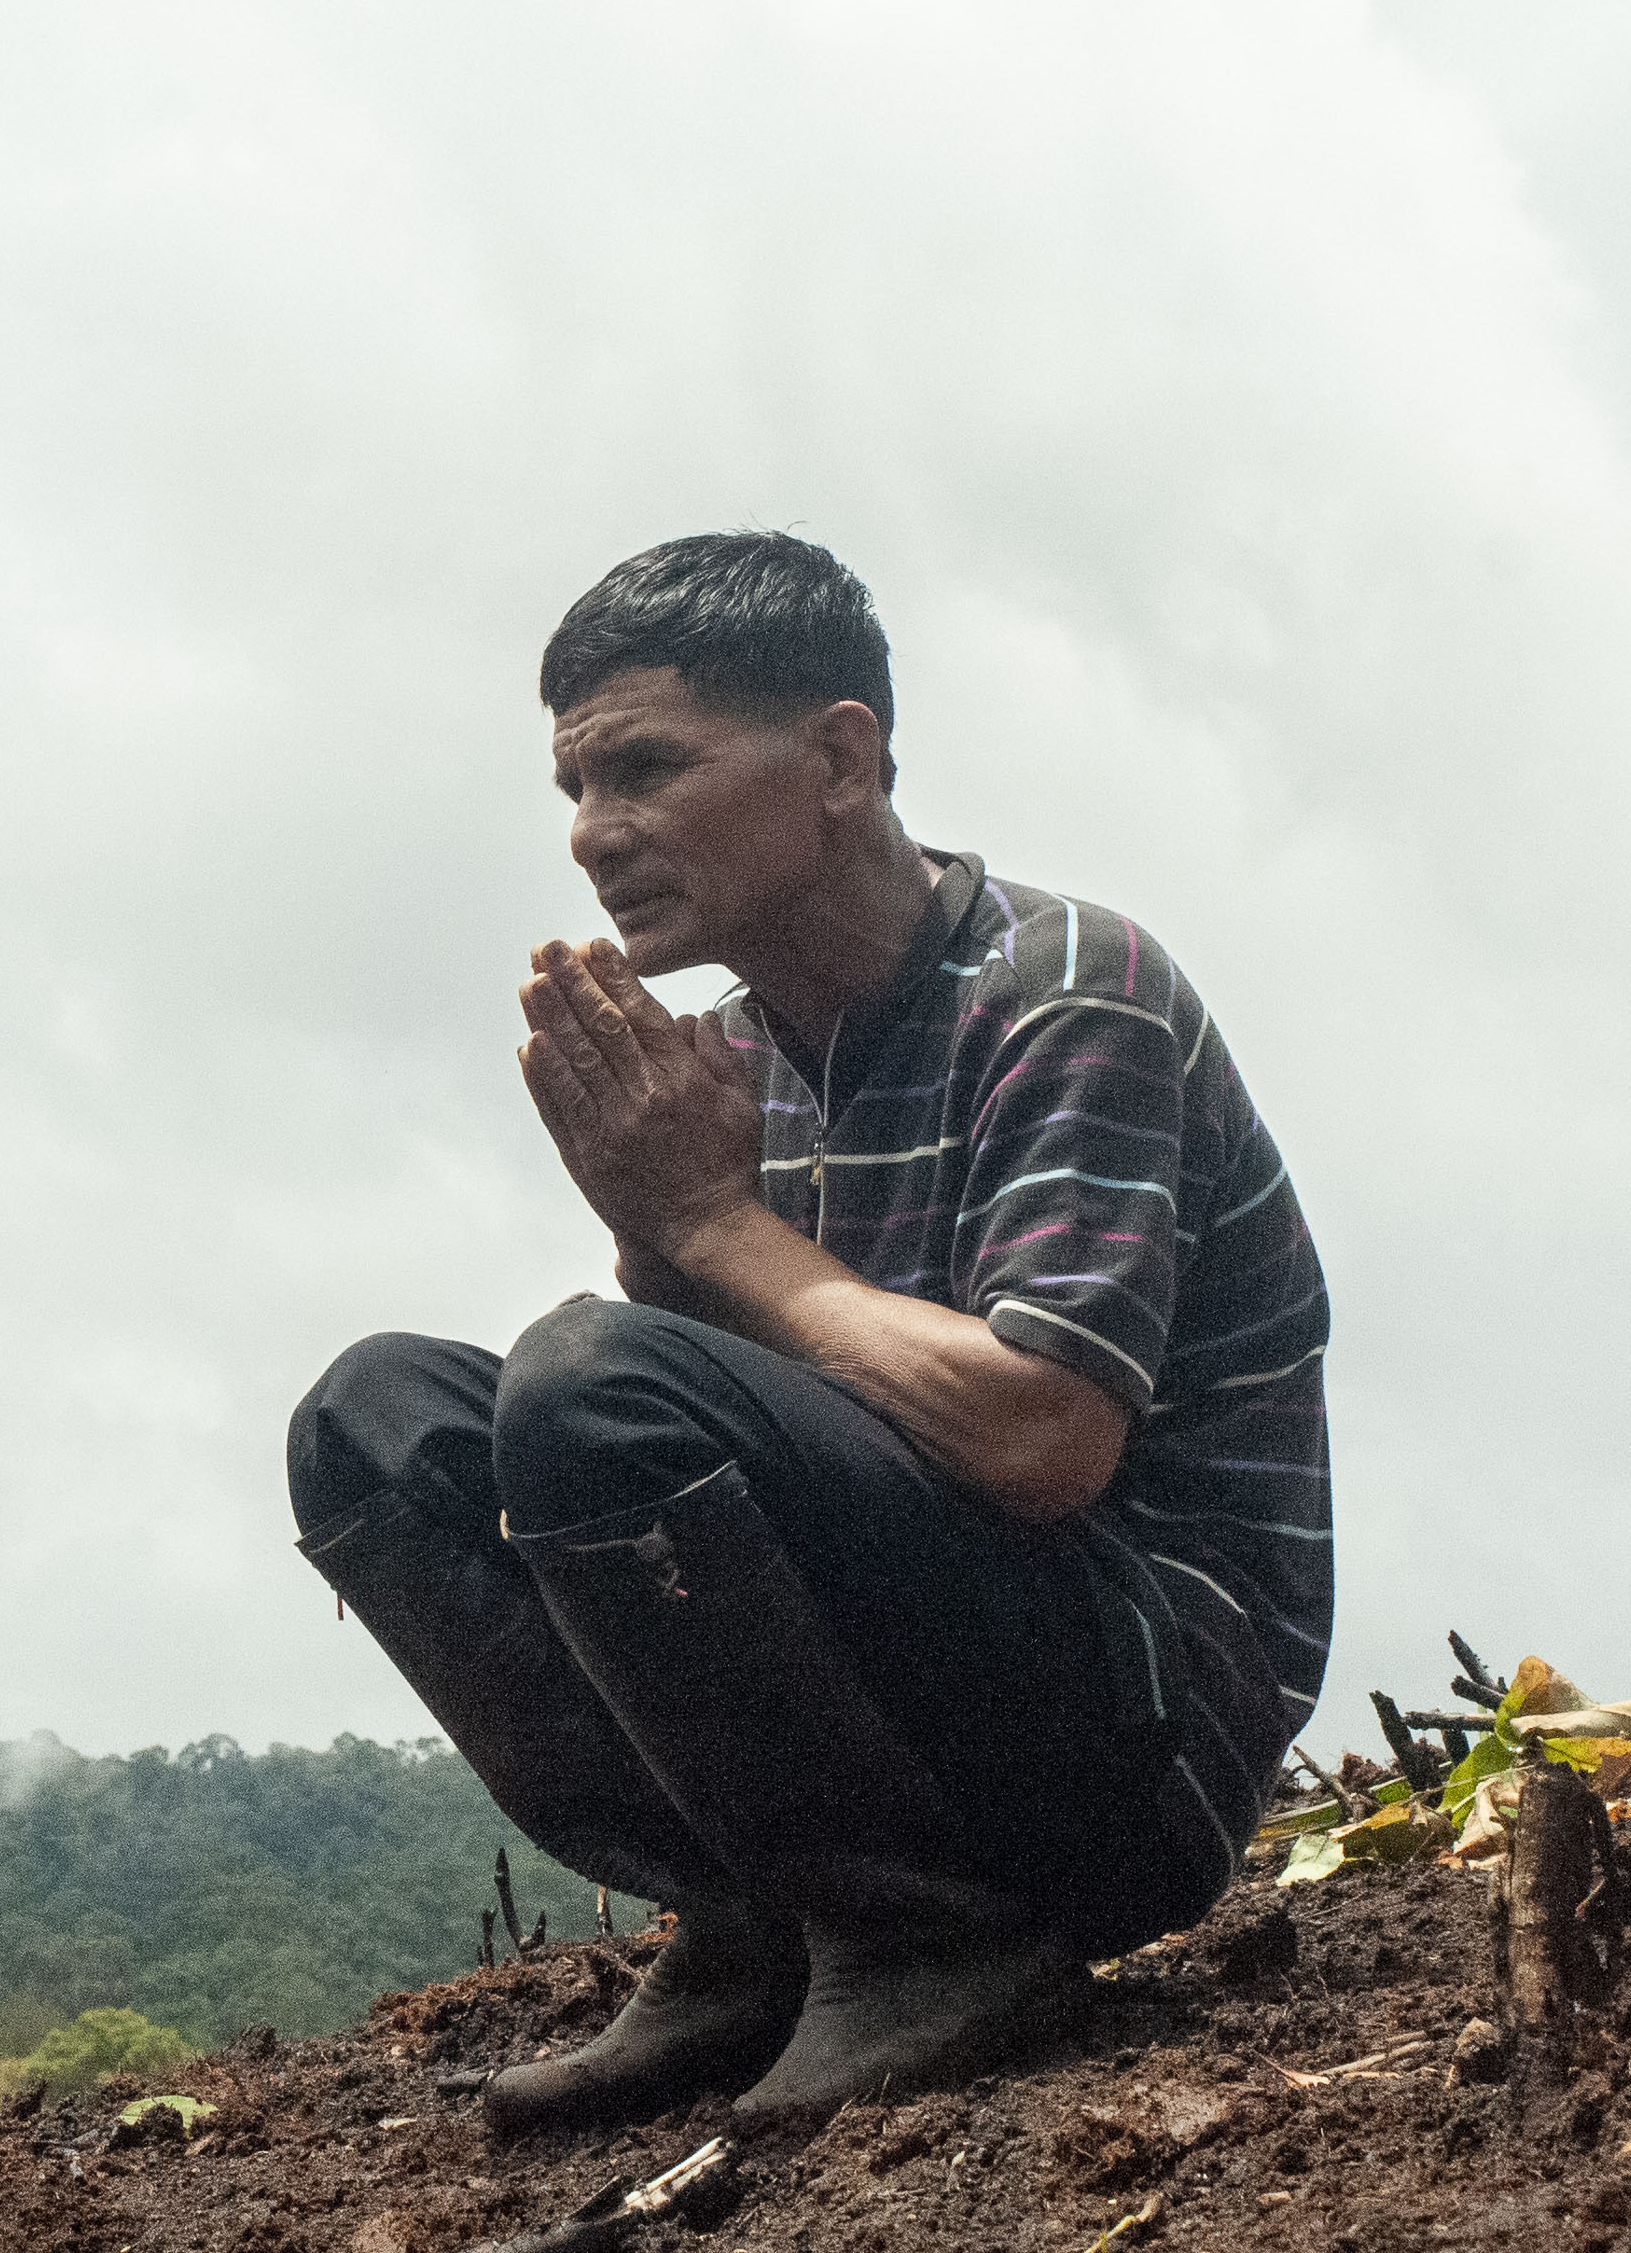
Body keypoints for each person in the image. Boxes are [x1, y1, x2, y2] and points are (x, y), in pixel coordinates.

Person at [286, 532, 1330, 2137]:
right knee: (374, 1420)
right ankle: (763, 1921)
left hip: (1131, 1736)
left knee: (588, 1381)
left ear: (840, 757)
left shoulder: (1064, 992)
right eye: (572, 788)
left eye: (642, 767)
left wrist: (706, 1228)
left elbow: (1046, 1437)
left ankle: (930, 1935)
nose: (591, 833)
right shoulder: (729, 1061)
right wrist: (659, 1220)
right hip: (930, 1688)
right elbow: (728, 1431)